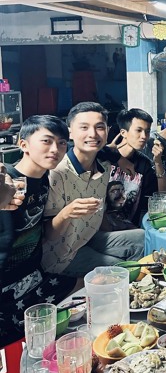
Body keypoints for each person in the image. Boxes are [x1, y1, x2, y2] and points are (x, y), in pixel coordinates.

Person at [0, 116, 78, 347]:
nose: (55, 149)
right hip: (6, 290)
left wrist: (66, 214)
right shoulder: (7, 181)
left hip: (34, 277)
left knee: (90, 288)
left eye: (62, 143)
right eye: (47, 141)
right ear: (23, 144)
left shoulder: (44, 180)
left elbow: (46, 234)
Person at [42, 102, 144, 278]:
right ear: (70, 132)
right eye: (84, 127)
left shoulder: (105, 165)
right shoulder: (56, 172)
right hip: (61, 255)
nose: (93, 134)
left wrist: (118, 158)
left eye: (99, 127)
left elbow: (106, 152)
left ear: (107, 130)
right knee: (123, 271)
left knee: (143, 238)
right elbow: (48, 234)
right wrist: (66, 213)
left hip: (89, 238)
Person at [104, 108, 166, 229]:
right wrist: (112, 153)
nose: (144, 136)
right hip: (101, 227)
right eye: (138, 130)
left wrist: (158, 162)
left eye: (147, 131)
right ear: (123, 133)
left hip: (129, 228)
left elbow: (162, 196)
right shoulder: (104, 156)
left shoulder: (144, 164)